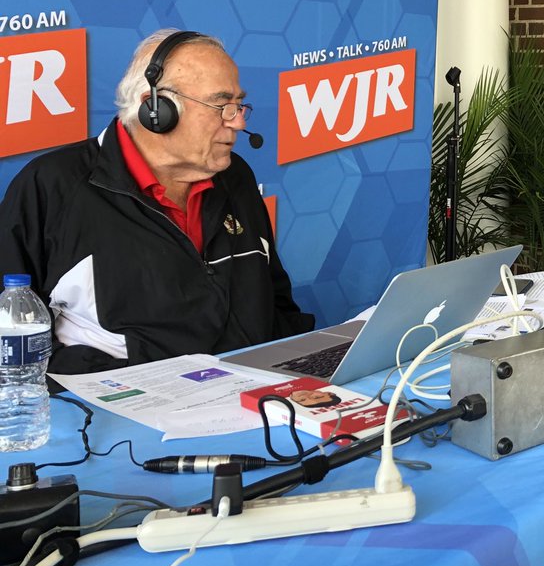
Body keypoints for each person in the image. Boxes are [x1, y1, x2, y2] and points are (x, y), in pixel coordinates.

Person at [0, 29, 314, 377]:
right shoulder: (52, 186)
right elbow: (11, 335)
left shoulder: (235, 177)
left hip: (256, 402)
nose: (238, 121)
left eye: (239, 105)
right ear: (157, 109)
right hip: (125, 415)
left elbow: (277, 304)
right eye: (222, 106)